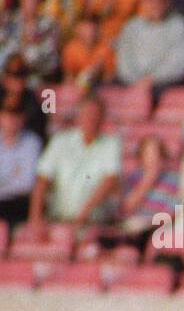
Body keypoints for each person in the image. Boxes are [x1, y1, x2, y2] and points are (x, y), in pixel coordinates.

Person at [27, 96, 121, 237]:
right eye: (87, 114)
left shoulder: (111, 143)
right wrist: (35, 218)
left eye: (95, 115)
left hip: (93, 223)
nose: (91, 119)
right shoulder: (60, 141)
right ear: (78, 116)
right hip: (59, 219)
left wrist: (84, 213)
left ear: (102, 117)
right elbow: (42, 179)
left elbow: (110, 179)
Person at [114, 0, 184, 90]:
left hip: (165, 85)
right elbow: (124, 62)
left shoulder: (181, 27)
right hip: (131, 83)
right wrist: (137, 82)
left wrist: (151, 80)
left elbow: (179, 64)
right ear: (144, 0)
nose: (156, 2)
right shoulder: (131, 27)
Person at [0, 96, 41, 225]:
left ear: (23, 118)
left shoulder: (32, 142)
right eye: (8, 114)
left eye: (16, 114)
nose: (11, 119)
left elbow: (26, 183)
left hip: (17, 205)